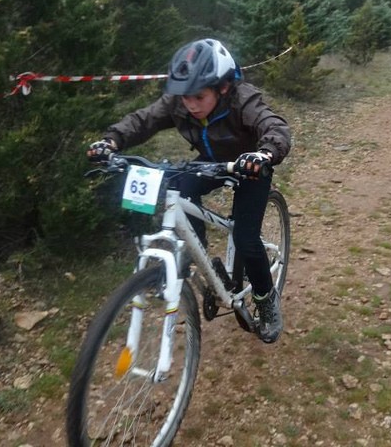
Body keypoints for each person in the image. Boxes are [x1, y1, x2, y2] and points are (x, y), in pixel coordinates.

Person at [87, 38, 292, 343]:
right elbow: (144, 120)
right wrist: (111, 141)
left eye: (199, 96)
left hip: (250, 166)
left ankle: (266, 299)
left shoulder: (242, 98)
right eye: (185, 97)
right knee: (179, 188)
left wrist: (264, 154)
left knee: (245, 238)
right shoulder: (179, 102)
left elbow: (273, 125)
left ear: (223, 87)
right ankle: (201, 255)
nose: (191, 104)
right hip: (211, 162)